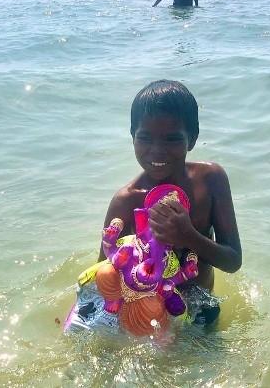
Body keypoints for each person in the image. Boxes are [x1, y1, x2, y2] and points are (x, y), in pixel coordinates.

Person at [95, 80, 242, 326]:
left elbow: (233, 260)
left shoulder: (210, 180)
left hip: (200, 308)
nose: (157, 151)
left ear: (192, 139)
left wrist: (188, 236)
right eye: (145, 138)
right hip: (148, 317)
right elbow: (104, 277)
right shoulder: (127, 200)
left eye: (172, 139)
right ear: (132, 137)